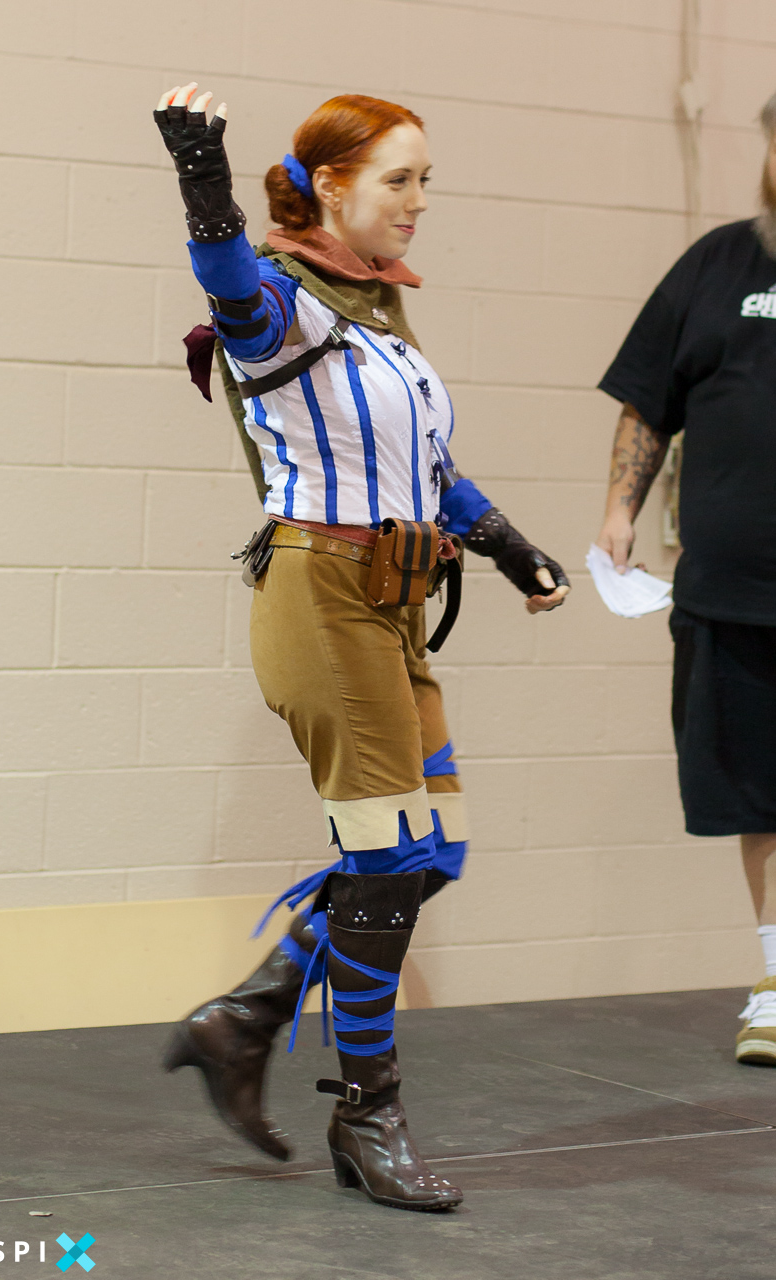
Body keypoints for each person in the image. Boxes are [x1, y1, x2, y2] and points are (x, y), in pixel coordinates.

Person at [153, 83, 570, 1211]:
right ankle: (366, 1111)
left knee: (431, 853)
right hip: (323, 593)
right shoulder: (282, 299)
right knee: (386, 856)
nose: (418, 200)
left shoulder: (376, 310)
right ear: (331, 187)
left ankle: (245, 1016)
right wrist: (202, 179)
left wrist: (508, 545)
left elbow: (430, 466)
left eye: (425, 179)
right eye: (399, 179)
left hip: (395, 600)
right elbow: (227, 288)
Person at [595, 90, 776, 1067]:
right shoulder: (717, 264)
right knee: (759, 800)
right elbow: (645, 399)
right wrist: (620, 508)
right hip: (733, 594)